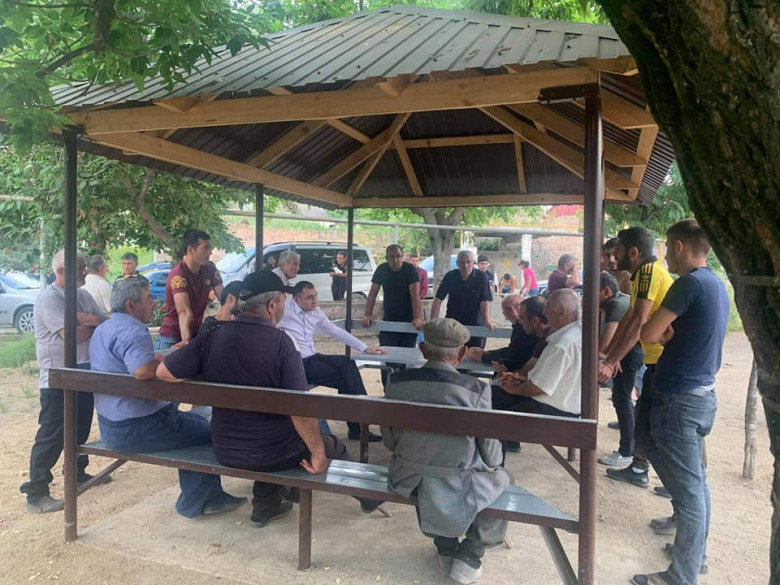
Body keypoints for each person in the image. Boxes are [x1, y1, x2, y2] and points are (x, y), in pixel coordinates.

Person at [157, 271, 380, 526]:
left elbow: (163, 372)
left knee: (274, 436)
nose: (284, 306)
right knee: (328, 446)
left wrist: (208, 372)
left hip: (225, 448)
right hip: (271, 452)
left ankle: (267, 506)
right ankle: (370, 498)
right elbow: (300, 407)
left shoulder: (212, 336)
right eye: (284, 301)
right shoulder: (282, 343)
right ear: (272, 305)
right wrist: (319, 452)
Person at [89, 278, 246, 518]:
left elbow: (132, 363)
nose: (155, 304)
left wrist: (158, 360)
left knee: (199, 422)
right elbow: (141, 370)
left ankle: (200, 497)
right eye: (149, 299)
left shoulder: (105, 328)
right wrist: (173, 367)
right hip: (140, 427)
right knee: (212, 430)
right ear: (131, 305)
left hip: (111, 426)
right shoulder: (132, 330)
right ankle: (201, 500)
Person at [631, 220, 729, 585]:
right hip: (701, 395)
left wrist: (661, 334)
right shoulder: (715, 284)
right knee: (693, 483)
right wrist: (668, 335)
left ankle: (683, 574)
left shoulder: (687, 284)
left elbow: (648, 333)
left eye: (668, 247)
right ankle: (693, 555)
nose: (666, 256)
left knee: (690, 492)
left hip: (680, 399)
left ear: (678, 246)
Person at [382, 318, 511, 585]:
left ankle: (446, 546)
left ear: (422, 349)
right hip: (456, 479)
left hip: (407, 479)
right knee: (504, 480)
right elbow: (491, 456)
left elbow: (390, 441)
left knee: (426, 476)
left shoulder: (396, 382)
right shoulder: (477, 390)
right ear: (462, 353)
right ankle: (471, 554)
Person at [20, 250, 109, 513]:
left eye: (84, 266)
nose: (84, 272)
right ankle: (36, 492)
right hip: (56, 376)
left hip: (83, 370)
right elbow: (72, 336)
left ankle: (77, 473)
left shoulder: (83, 295)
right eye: (79, 268)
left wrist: (92, 321)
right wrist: (91, 324)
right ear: (61, 272)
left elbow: (105, 322)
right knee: (52, 432)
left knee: (81, 427)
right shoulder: (49, 298)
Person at [598, 226, 674, 488]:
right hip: (656, 360)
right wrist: (610, 355)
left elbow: (638, 321)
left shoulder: (647, 272)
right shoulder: (643, 274)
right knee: (644, 421)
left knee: (656, 426)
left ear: (633, 252)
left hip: (664, 360)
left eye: (617, 251)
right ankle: (640, 469)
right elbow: (629, 318)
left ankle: (669, 481)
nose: (613, 257)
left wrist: (610, 361)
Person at [279, 281, 387, 442]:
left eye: (315, 296)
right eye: (309, 297)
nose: (315, 301)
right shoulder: (284, 311)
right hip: (297, 363)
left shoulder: (315, 312)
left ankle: (360, 420)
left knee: (348, 363)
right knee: (347, 379)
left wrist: (364, 348)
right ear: (296, 300)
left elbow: (335, 331)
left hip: (314, 357)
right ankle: (361, 421)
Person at [494, 289, 581, 418]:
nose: (544, 312)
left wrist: (513, 389)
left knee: (492, 413)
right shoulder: (573, 333)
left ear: (562, 312)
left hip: (551, 410)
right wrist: (522, 380)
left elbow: (538, 388)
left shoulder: (563, 344)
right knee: (493, 395)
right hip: (554, 405)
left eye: (548, 307)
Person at [363, 245, 423, 385]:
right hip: (389, 319)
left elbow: (415, 296)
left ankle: (404, 390)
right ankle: (387, 389)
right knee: (387, 357)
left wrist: (417, 317)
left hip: (408, 321)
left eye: (398, 256)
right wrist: (367, 315)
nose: (396, 260)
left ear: (402, 257)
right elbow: (372, 293)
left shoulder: (410, 270)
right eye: (392, 256)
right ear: (386, 258)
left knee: (405, 359)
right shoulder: (382, 269)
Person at [156, 229, 223, 350]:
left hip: (194, 335)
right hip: (172, 338)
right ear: (191, 250)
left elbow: (224, 297)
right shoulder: (178, 275)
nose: (210, 252)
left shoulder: (210, 269)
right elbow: (184, 311)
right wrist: (186, 341)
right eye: (205, 248)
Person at [596, 271, 635, 467]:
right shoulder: (618, 300)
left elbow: (603, 345)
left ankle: (628, 451)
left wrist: (609, 357)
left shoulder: (614, 305)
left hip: (630, 354)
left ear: (606, 291)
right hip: (624, 353)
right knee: (622, 397)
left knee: (622, 398)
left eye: (592, 293)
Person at [431, 250, 495, 349]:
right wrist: (433, 321)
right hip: (453, 324)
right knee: (452, 353)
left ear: (474, 263)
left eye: (468, 262)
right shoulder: (450, 276)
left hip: (476, 323)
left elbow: (485, 301)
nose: (465, 265)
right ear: (457, 263)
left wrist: (487, 321)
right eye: (462, 262)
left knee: (475, 353)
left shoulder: (482, 277)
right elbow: (438, 299)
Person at [465, 294, 539, 374]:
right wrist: (487, 353)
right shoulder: (519, 327)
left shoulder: (529, 328)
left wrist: (484, 357)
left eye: (517, 306)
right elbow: (514, 350)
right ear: (504, 315)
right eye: (508, 309)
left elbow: (517, 355)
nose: (514, 313)